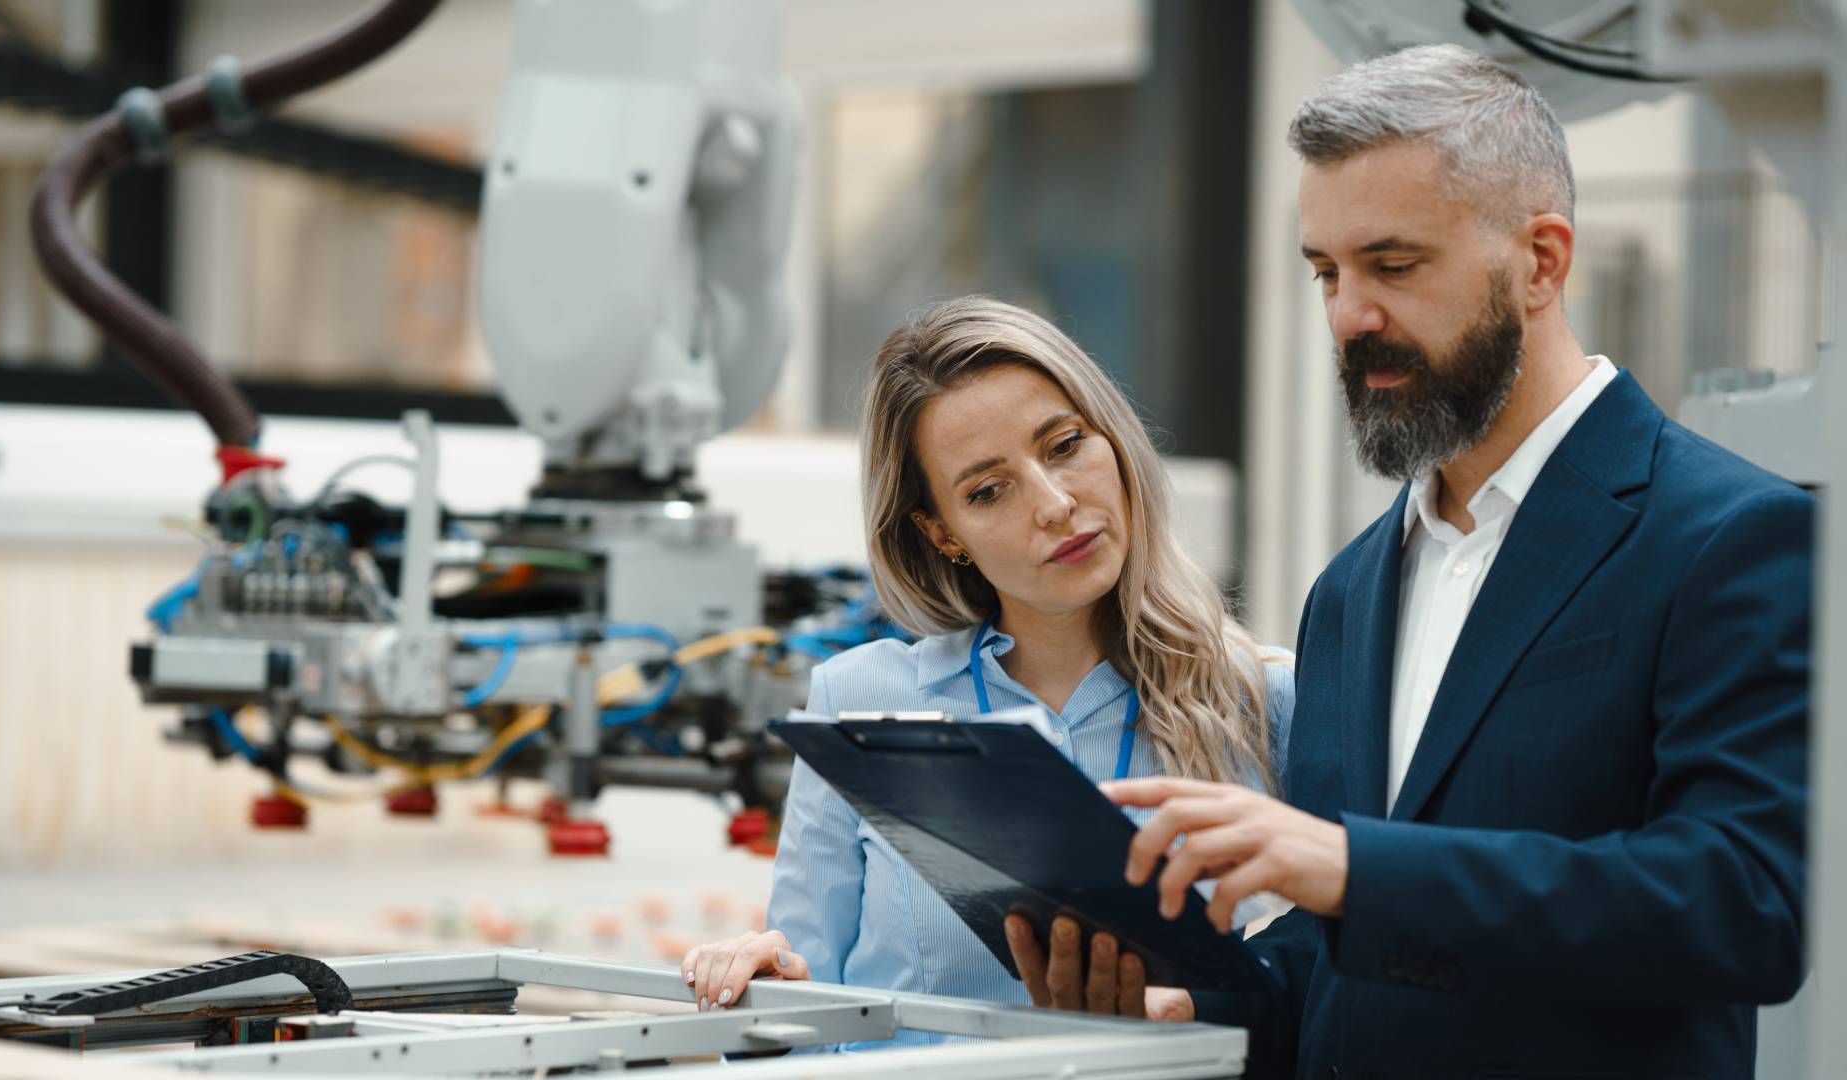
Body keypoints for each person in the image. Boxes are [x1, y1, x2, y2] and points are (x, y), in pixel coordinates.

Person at [1021, 44, 1813, 1078]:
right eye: (1326, 273)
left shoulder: (1727, 535)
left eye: (1393, 266)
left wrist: (1354, 868)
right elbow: (1343, 955)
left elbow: (1745, 900)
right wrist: (1193, 1019)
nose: (1350, 315)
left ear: (1541, 260)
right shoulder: (1349, 591)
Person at [679, 295, 1294, 1046]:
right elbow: (801, 1015)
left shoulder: (1266, 704)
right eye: (988, 491)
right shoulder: (861, 701)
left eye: (1065, 445)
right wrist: (761, 988)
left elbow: (1319, 991)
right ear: (943, 534)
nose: (1056, 504)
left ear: (1114, 439)